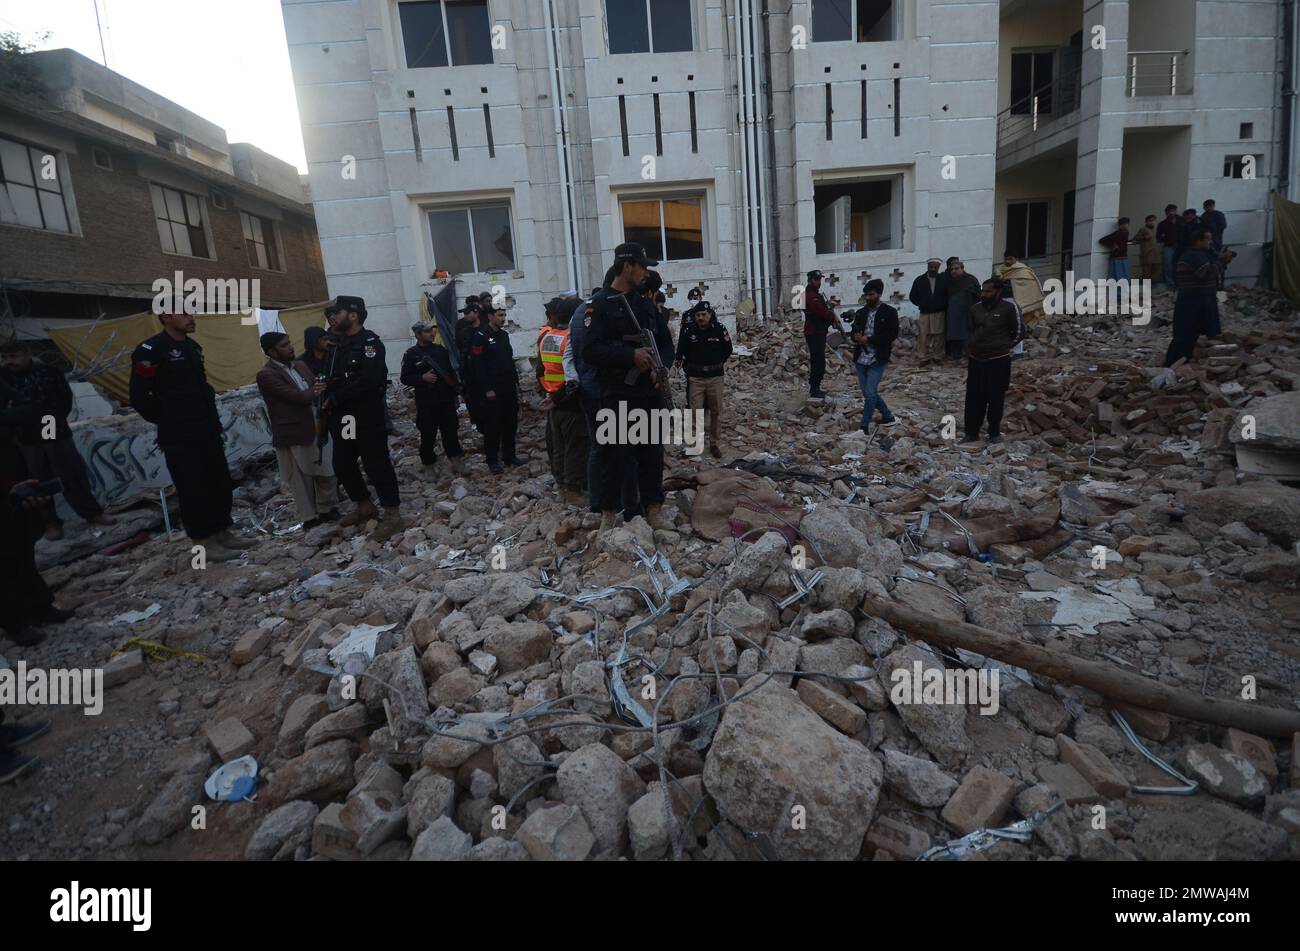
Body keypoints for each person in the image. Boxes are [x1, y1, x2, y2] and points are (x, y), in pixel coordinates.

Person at [129, 309, 253, 561]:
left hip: (207, 428)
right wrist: (169, 419)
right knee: (192, 487)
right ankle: (203, 542)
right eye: (183, 313)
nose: (191, 317)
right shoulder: (150, 351)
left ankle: (222, 532)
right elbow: (141, 398)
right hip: (179, 434)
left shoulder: (192, 347)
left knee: (218, 481)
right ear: (166, 317)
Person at [583, 242, 671, 531]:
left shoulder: (645, 305)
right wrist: (629, 355)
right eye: (642, 266)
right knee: (615, 455)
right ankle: (610, 513)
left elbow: (666, 344)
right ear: (627, 266)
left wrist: (663, 368)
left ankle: (653, 507)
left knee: (651, 452)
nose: (646, 272)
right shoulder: (599, 306)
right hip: (617, 392)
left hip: (648, 392)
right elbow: (590, 351)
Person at [0, 340, 115, 540]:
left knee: (69, 472)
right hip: (22, 435)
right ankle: (50, 523)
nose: (9, 362)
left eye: (13, 356)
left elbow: (64, 400)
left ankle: (92, 513)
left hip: (50, 425)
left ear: (27, 354)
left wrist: (51, 423)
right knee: (36, 479)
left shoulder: (48, 372)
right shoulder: (4, 378)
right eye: (4, 358)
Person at [320, 295, 404, 541]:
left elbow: (369, 380)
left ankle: (392, 514)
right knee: (343, 463)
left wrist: (336, 398)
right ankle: (364, 506)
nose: (334, 317)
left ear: (353, 315)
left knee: (375, 463)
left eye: (339, 312)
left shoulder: (370, 343)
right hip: (344, 418)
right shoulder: (336, 345)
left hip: (366, 415)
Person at [0, 396, 73, 647]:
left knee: (22, 548)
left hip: (11, 473)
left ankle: (40, 608)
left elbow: (31, 408)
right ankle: (14, 623)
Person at [255, 332, 339, 529]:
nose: (290, 347)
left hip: (316, 425)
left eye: (289, 343)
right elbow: (297, 397)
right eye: (284, 345)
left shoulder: (300, 366)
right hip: (292, 432)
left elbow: (316, 386)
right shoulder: (266, 375)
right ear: (271, 351)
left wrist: (320, 388)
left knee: (326, 470)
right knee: (300, 479)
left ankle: (326, 508)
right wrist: (316, 390)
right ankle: (310, 518)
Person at [535, 300, 587, 502]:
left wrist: (549, 393)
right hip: (569, 399)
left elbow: (541, 369)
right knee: (575, 446)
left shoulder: (547, 336)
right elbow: (576, 374)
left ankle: (561, 484)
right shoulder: (571, 339)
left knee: (559, 446)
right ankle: (573, 489)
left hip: (553, 398)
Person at [961, 279, 1022, 446]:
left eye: (988, 291)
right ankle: (971, 433)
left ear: (998, 292)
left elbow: (1019, 331)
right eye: (982, 291)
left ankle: (994, 432)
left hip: (998, 361)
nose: (983, 294)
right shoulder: (975, 309)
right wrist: (971, 347)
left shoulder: (1009, 308)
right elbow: (970, 329)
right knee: (973, 397)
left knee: (995, 397)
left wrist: (1004, 347)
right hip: (976, 360)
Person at [463, 306, 524, 474]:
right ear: (490, 316)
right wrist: (487, 389)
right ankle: (492, 460)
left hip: (508, 388)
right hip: (492, 391)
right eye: (500, 315)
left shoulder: (504, 336)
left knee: (510, 424)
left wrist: (516, 384)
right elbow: (477, 366)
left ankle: (509, 456)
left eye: (504, 314)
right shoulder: (480, 337)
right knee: (493, 427)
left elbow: (508, 362)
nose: (503, 318)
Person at [401, 320, 465, 476]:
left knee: (450, 432)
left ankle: (456, 461)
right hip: (426, 402)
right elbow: (405, 378)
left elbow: (450, 373)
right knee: (428, 434)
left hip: (444, 399)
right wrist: (422, 378)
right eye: (427, 331)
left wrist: (455, 395)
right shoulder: (411, 354)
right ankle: (429, 465)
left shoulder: (440, 350)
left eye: (432, 330)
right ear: (418, 334)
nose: (432, 333)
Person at [1164, 229, 1235, 368]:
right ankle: (1174, 365)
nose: (1210, 242)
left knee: (1193, 335)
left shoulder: (1201, 255)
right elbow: (1206, 273)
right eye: (1207, 239)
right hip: (1192, 301)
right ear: (1199, 241)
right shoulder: (1193, 256)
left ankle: (1185, 363)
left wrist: (1220, 261)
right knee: (1185, 335)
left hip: (1200, 299)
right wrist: (1222, 261)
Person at [675, 300, 733, 458]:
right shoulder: (688, 331)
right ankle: (695, 445)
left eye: (703, 315)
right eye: (698, 315)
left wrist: (716, 363)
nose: (701, 317)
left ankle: (714, 444)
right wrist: (681, 361)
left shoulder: (719, 329)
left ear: (710, 315)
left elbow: (728, 349)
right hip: (696, 379)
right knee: (695, 413)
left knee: (716, 412)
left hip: (715, 378)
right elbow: (681, 349)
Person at [567, 294, 605, 513]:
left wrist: (575, 380)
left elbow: (569, 355)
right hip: (602, 388)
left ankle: (596, 498)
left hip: (586, 388)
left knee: (596, 445)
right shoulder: (604, 311)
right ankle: (607, 499)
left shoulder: (577, 315)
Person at [849, 279, 899, 433]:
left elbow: (891, 335)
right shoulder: (861, 313)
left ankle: (864, 426)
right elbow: (853, 333)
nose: (869, 298)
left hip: (877, 357)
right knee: (868, 393)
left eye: (871, 295)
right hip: (861, 358)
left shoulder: (889, 312)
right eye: (867, 295)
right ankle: (887, 416)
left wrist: (869, 340)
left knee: (870, 394)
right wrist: (856, 337)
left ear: (879, 294)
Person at [802, 269, 843, 398]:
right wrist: (833, 317)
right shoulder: (810, 295)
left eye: (819, 279)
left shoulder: (815, 294)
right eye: (816, 279)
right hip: (814, 332)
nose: (819, 282)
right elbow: (821, 311)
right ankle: (814, 389)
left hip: (818, 331)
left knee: (818, 361)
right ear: (811, 280)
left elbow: (822, 310)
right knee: (818, 362)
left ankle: (815, 388)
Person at [908, 258, 946, 364]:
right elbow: (912, 296)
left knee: (939, 335)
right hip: (925, 313)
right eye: (931, 267)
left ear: (938, 267)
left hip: (939, 312)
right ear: (928, 267)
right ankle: (923, 357)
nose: (933, 269)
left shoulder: (943, 279)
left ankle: (937, 357)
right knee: (923, 335)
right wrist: (922, 304)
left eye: (935, 267)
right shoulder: (919, 280)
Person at [996, 250, 1046, 327]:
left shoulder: (1024, 271)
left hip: (1020, 301)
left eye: (1010, 259)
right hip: (1004, 299)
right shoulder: (1000, 270)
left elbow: (1032, 288)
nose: (1007, 261)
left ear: (1016, 259)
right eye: (1006, 259)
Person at [944, 259, 980, 360]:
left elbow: (977, 296)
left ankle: (970, 356)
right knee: (954, 334)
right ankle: (956, 356)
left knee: (967, 334)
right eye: (952, 269)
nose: (954, 271)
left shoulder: (971, 279)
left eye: (956, 268)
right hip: (953, 313)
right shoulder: (949, 282)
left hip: (967, 311)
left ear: (962, 269)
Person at [1156, 204, 1181, 287]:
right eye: (1169, 211)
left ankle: (1179, 283)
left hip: (1180, 247)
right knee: (1168, 265)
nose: (1171, 213)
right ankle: (1170, 283)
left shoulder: (1181, 221)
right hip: (1168, 247)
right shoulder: (1162, 224)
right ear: (1166, 213)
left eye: (1173, 211)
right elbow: (1158, 237)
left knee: (1179, 265)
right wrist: (1165, 238)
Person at [1133, 215, 1162, 283]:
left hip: (1155, 255)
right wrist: (1145, 237)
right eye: (1150, 221)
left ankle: (1153, 288)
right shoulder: (1143, 229)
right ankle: (1146, 289)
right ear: (1146, 222)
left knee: (1156, 271)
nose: (1152, 222)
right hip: (1147, 254)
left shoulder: (1154, 229)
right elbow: (1135, 238)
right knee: (1146, 273)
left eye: (1153, 221)